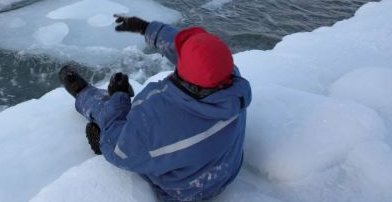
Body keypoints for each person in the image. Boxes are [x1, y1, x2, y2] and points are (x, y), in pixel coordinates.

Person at [59, 15, 251, 202]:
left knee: (114, 119)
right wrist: (146, 27)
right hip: (226, 169)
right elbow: (193, 55)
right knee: (136, 126)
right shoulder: (230, 81)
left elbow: (120, 152)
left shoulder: (160, 120)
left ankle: (84, 96)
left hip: (183, 190)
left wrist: (119, 96)